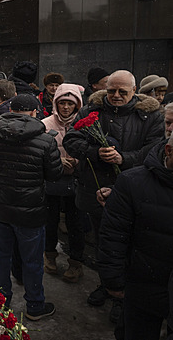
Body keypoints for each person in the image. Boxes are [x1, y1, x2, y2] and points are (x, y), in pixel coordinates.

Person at [63, 70, 164, 322]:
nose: (116, 96)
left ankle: (124, 294)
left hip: (133, 192)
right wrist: (96, 152)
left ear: (134, 92)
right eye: (111, 91)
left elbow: (154, 149)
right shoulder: (90, 110)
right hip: (95, 188)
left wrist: (124, 158)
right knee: (102, 241)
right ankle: (106, 284)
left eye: (122, 92)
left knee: (130, 244)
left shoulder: (150, 115)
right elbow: (72, 139)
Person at [0, 93, 63, 321]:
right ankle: (35, 305)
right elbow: (54, 175)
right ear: (35, 113)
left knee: (0, 257)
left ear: (10, 109)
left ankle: (0, 303)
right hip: (30, 211)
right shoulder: (46, 141)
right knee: (32, 260)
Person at [97, 135, 173, 340]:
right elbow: (114, 234)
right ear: (168, 151)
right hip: (143, 286)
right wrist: (113, 280)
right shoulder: (132, 182)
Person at [41, 83, 86, 283]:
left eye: (70, 103)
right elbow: (40, 152)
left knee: (75, 224)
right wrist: (57, 161)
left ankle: (76, 262)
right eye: (62, 103)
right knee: (49, 222)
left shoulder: (85, 124)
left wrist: (78, 161)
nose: (66, 107)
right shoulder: (45, 124)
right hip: (52, 181)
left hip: (77, 181)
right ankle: (49, 256)